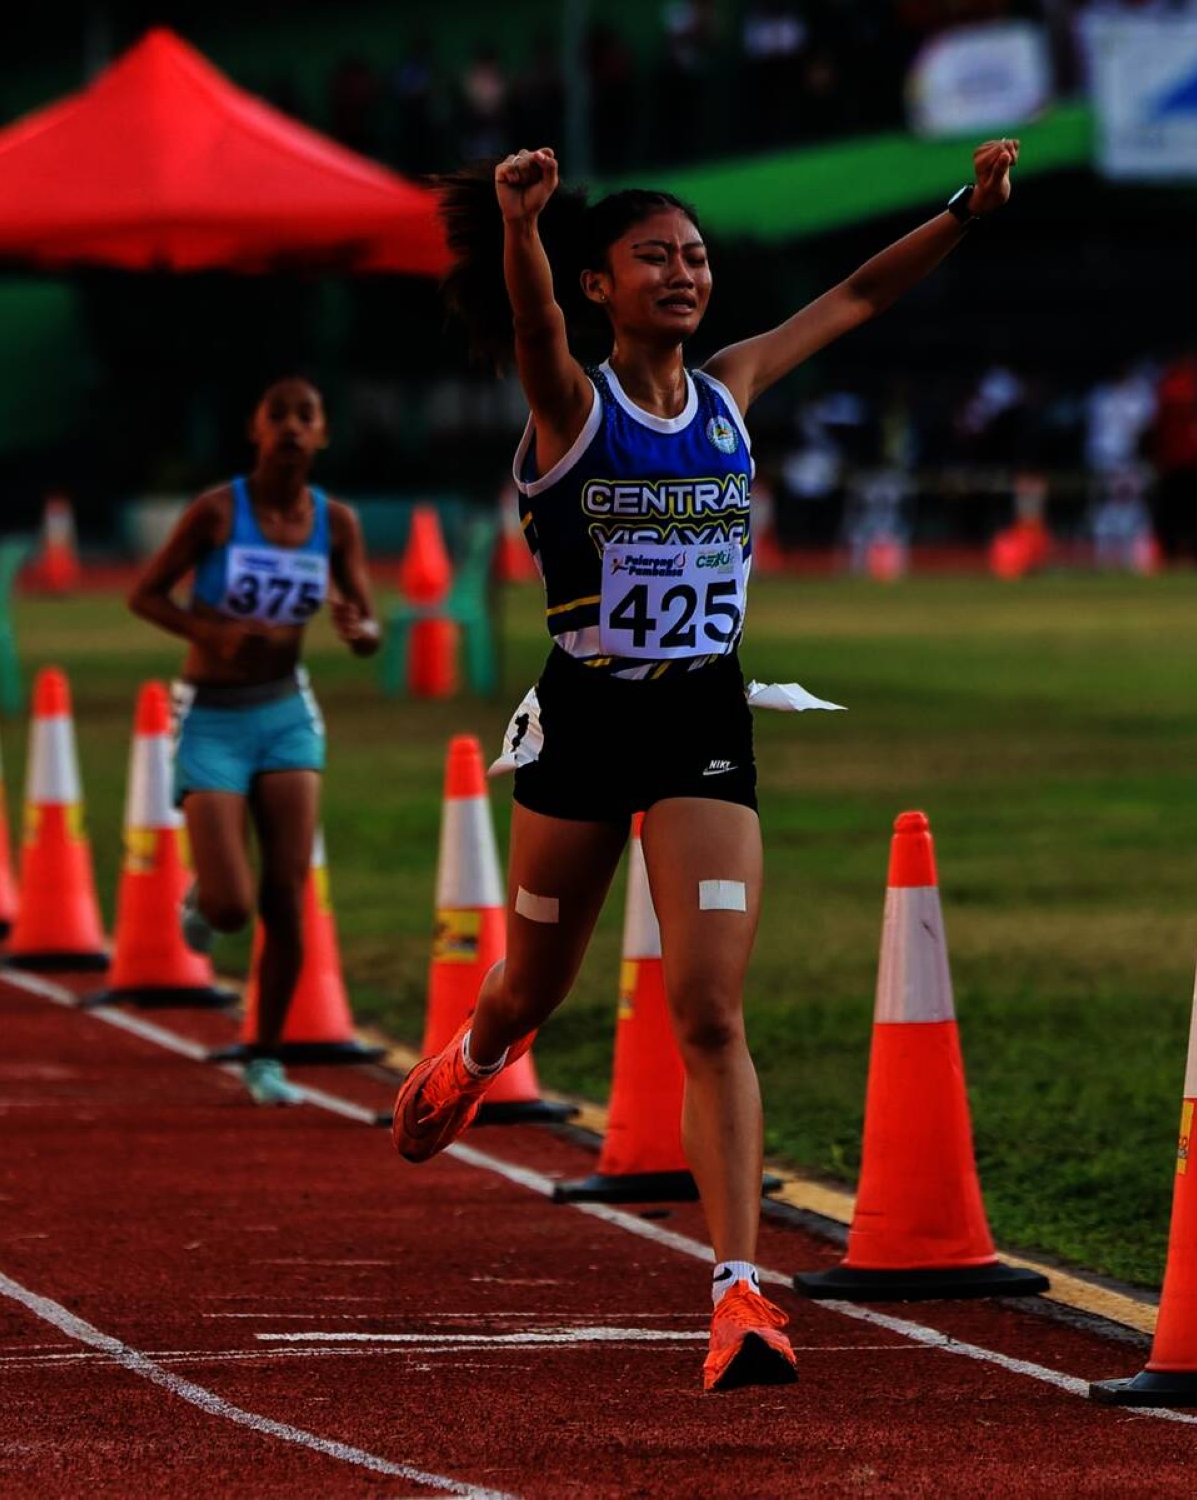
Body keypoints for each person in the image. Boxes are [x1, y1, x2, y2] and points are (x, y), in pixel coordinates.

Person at [391, 139, 1018, 1391]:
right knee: (528, 994)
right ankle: (470, 1057)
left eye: (695, 256)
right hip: (584, 722)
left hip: (701, 725)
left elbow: (856, 298)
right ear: (595, 288)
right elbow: (523, 321)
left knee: (711, 1012)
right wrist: (520, 224)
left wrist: (964, 209)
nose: (683, 273)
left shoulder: (732, 387)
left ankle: (741, 1296)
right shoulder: (572, 405)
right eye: (653, 259)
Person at [128, 377, 380, 1105]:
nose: (294, 429)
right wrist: (209, 631)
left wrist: (361, 632)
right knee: (235, 906)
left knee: (286, 892)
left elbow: (366, 627)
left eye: (308, 417)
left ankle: (265, 1054)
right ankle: (207, 895)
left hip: (286, 714)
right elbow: (144, 594)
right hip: (210, 714)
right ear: (255, 429)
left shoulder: (338, 524)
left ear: (324, 434)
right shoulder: (215, 512)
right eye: (280, 416)